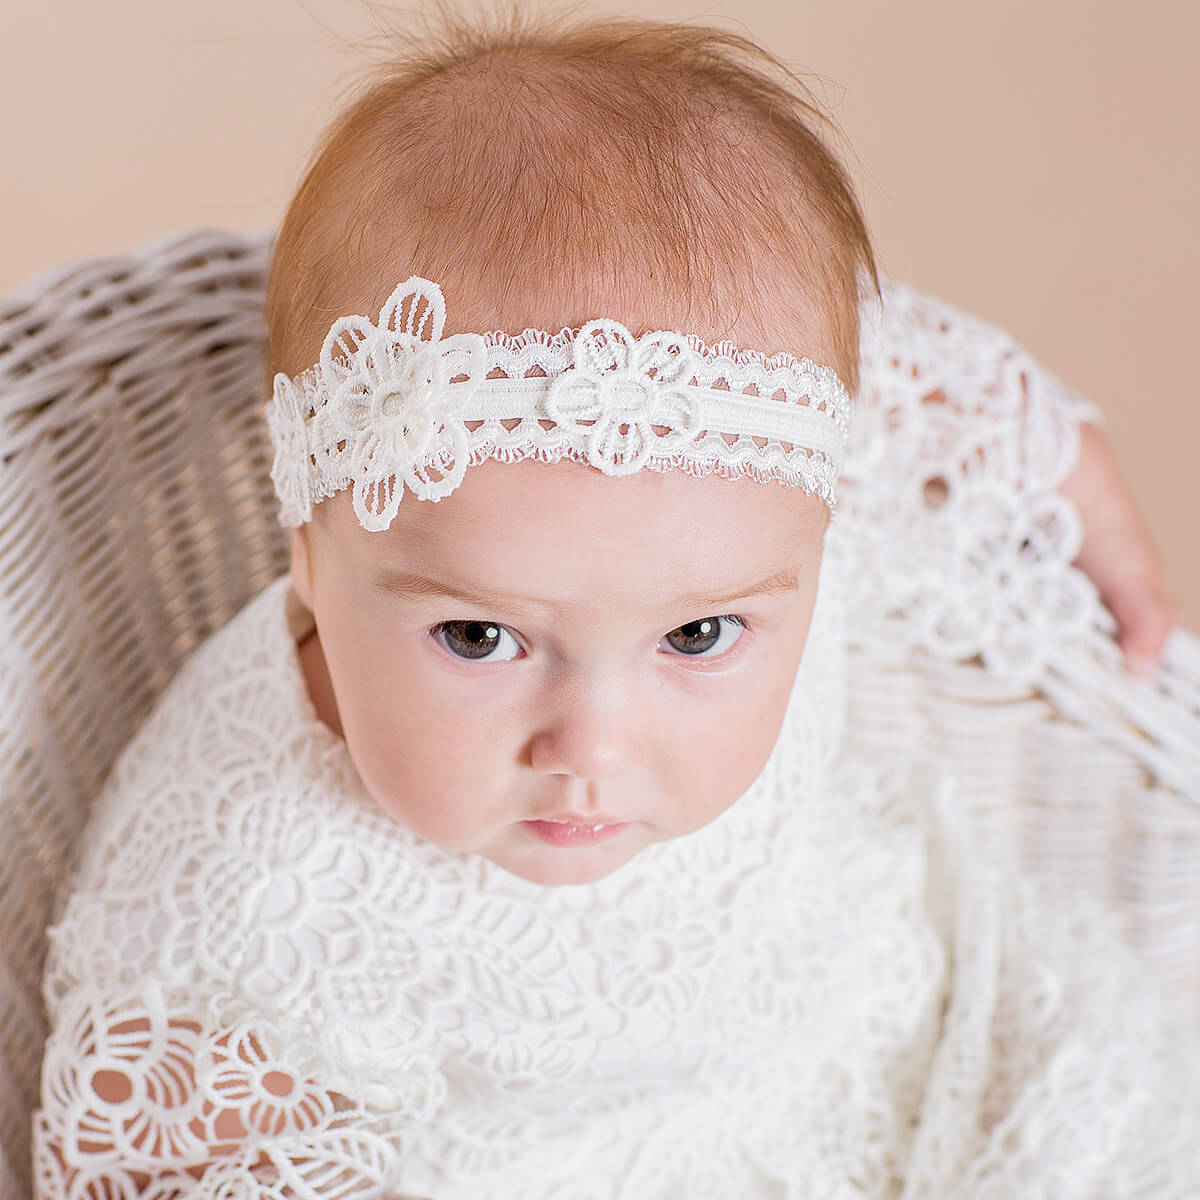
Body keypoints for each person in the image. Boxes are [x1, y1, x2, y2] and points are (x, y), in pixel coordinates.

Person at [32, 4, 1195, 1197]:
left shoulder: (752, 477)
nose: (591, 745)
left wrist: (1072, 481)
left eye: (697, 637)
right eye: (479, 637)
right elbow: (163, 1154)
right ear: (310, 558)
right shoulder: (249, 920)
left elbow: (924, 381)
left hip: (854, 1028)